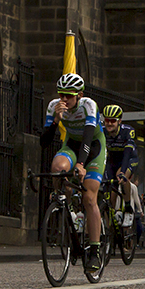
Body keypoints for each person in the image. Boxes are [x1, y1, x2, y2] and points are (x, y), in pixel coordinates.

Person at [41, 74, 105, 273]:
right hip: (71, 144)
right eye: (61, 95)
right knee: (57, 167)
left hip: (93, 148)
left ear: (79, 95)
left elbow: (87, 137)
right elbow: (44, 143)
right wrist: (55, 122)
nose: (64, 100)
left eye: (69, 96)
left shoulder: (88, 106)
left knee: (89, 198)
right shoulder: (54, 107)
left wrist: (81, 164)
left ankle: (94, 251)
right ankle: (64, 203)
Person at [101, 104, 142, 233]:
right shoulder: (101, 131)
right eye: (107, 120)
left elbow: (127, 154)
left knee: (122, 177)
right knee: (110, 198)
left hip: (129, 159)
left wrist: (123, 172)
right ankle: (111, 229)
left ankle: (129, 208)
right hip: (112, 161)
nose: (109, 124)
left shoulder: (127, 131)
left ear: (119, 121)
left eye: (113, 121)